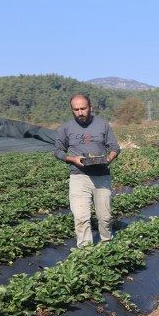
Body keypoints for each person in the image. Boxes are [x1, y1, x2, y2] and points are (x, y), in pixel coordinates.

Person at [54, 93, 121, 248]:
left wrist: (109, 158)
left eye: (83, 108)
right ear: (72, 110)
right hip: (79, 176)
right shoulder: (65, 128)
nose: (80, 112)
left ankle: (107, 244)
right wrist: (73, 159)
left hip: (101, 175)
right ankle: (85, 251)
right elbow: (58, 151)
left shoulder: (103, 125)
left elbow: (114, 147)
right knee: (81, 217)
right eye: (76, 109)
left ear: (90, 107)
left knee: (105, 217)